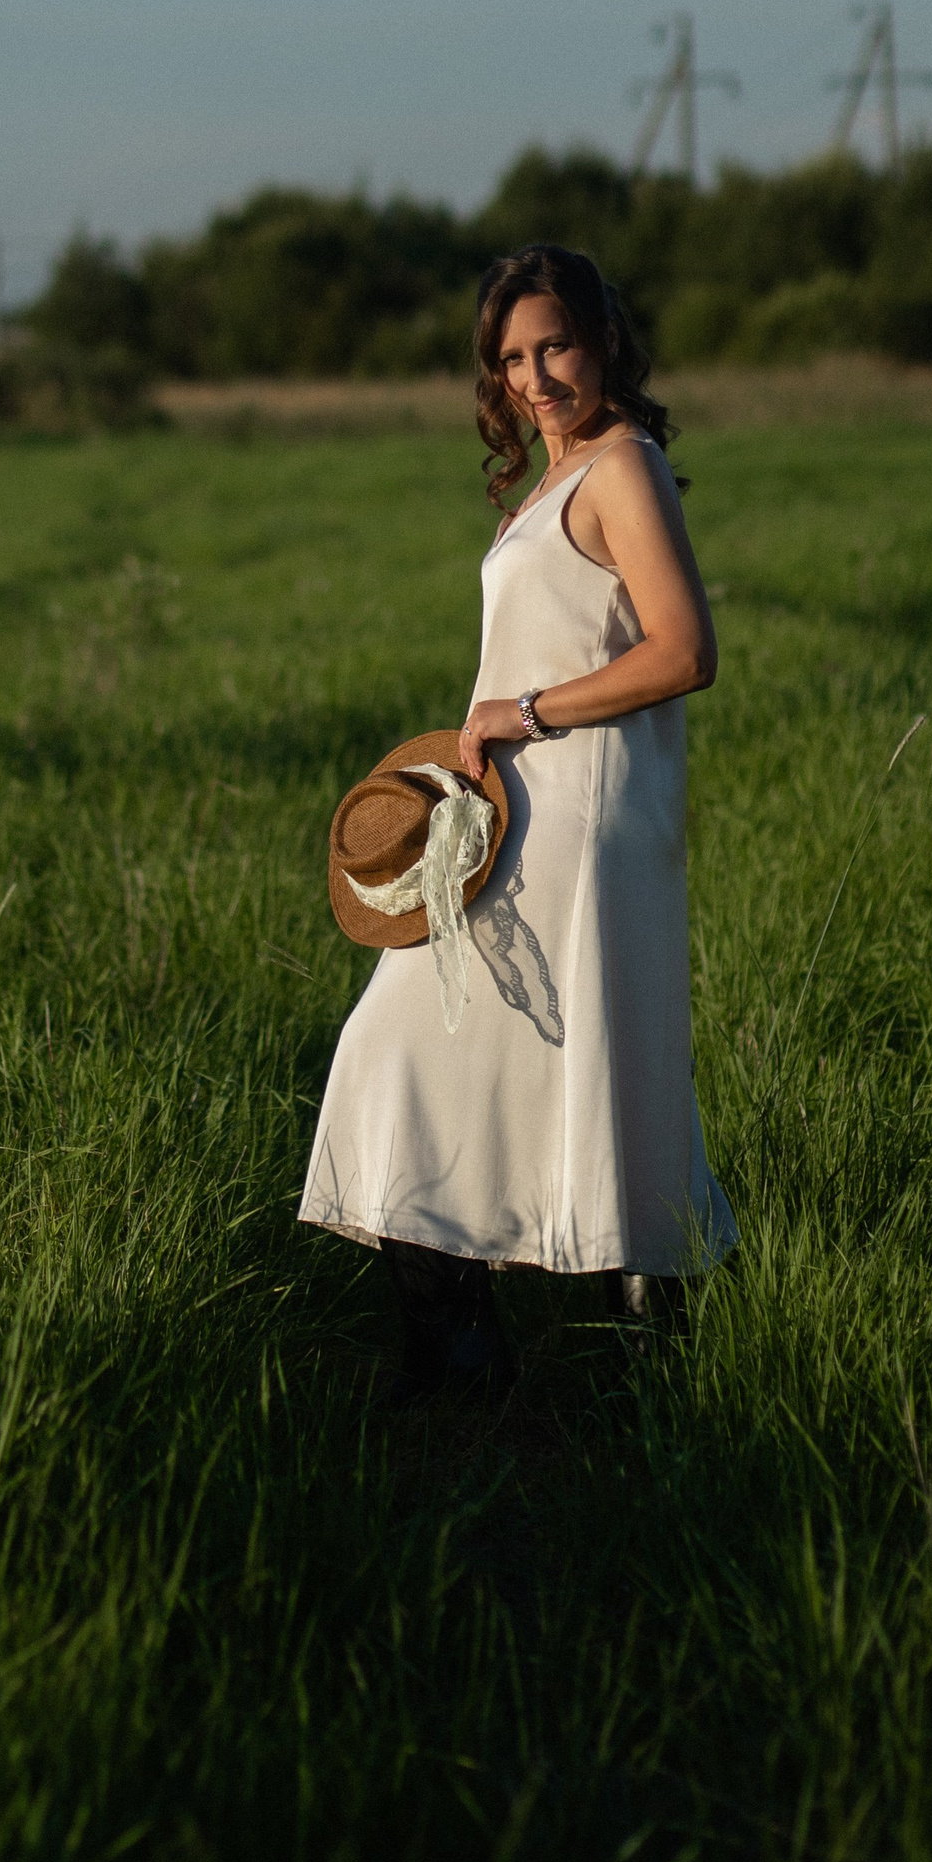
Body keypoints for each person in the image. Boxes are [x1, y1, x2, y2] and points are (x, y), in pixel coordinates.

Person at [298, 242, 736, 1400]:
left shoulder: (619, 465)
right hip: (522, 811)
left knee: (394, 1047)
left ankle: (472, 1354)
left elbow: (684, 649)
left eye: (555, 346)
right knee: (563, 1050)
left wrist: (525, 708)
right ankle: (579, 1337)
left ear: (602, 343)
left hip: (577, 814)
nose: (535, 375)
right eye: (510, 358)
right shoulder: (554, 479)